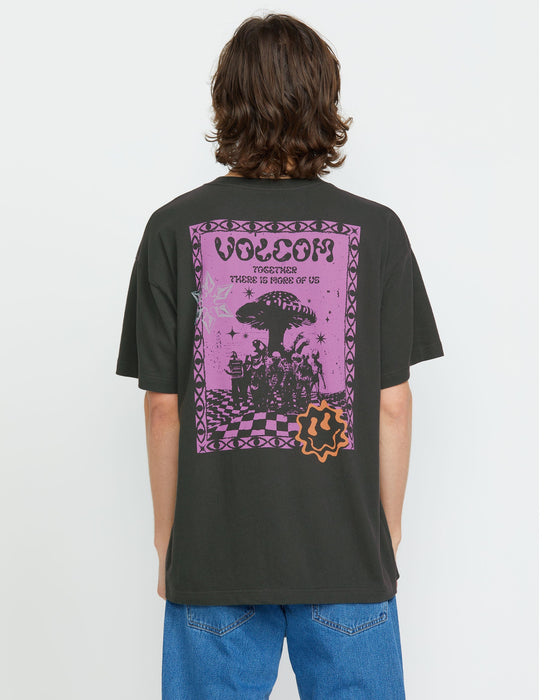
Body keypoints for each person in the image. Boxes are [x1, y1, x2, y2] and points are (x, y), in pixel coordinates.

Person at [115, 12, 444, 700]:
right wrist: (384, 534)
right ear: (324, 99)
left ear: (226, 101)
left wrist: (169, 544)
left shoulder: (172, 229)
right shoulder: (377, 231)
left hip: (215, 558)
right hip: (345, 556)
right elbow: (391, 405)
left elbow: (163, 408)